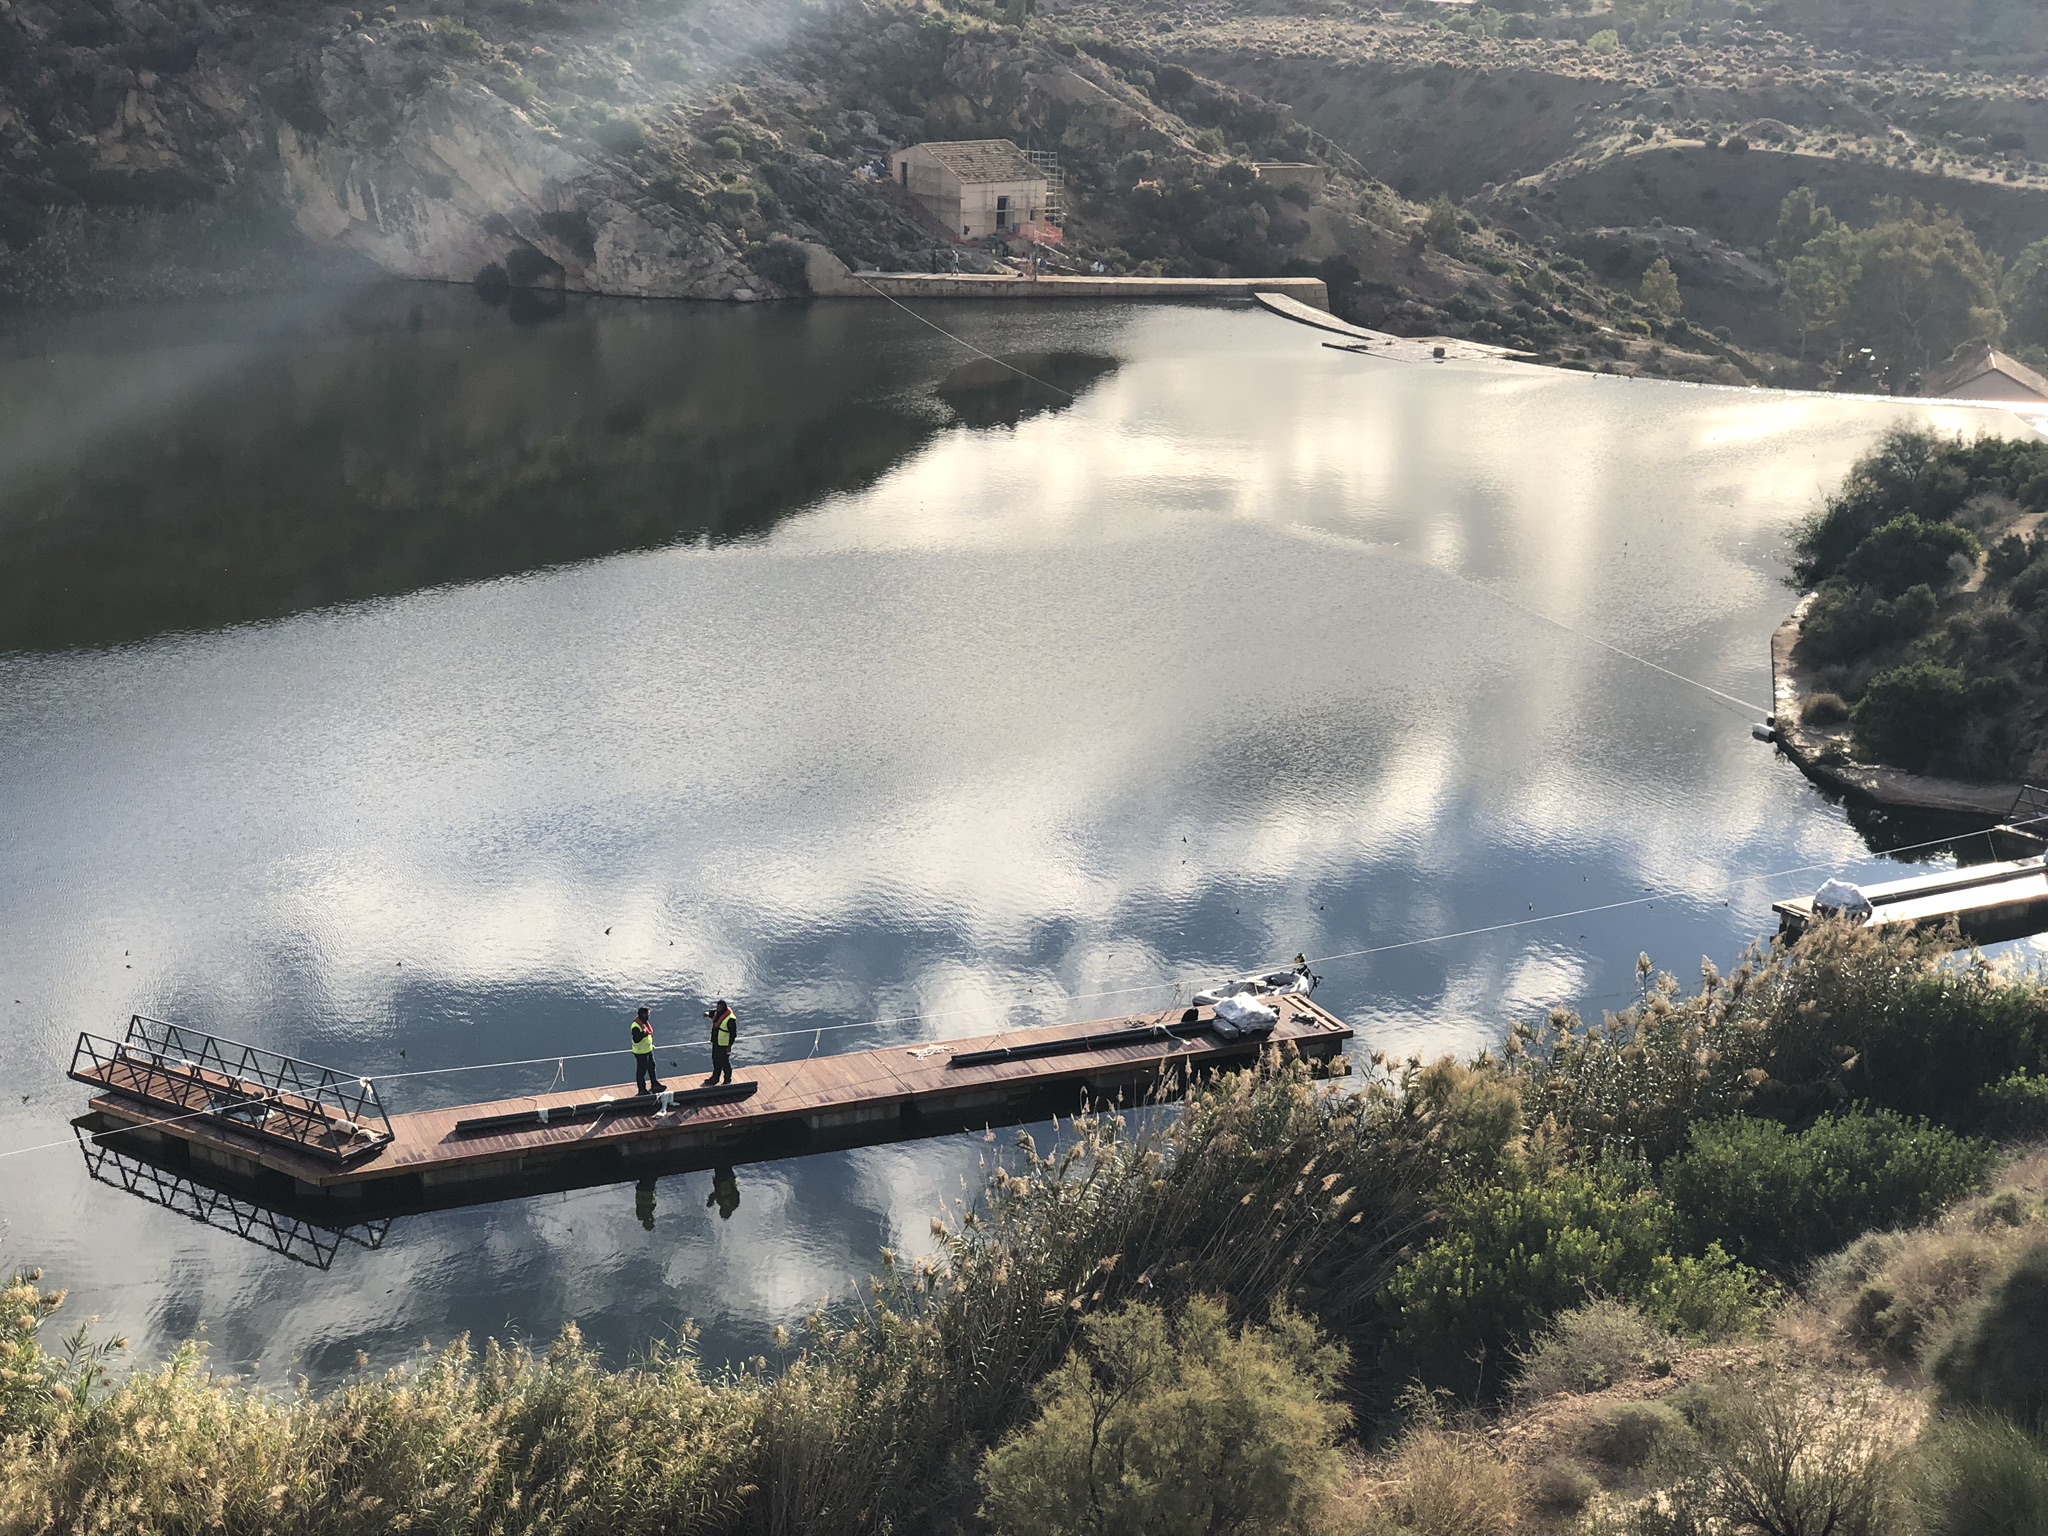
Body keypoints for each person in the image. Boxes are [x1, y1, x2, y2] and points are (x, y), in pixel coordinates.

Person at [630, 1006, 664, 1095]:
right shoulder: (636, 1026)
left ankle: (655, 1084)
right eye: (648, 1014)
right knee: (642, 1071)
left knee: (651, 1067)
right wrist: (644, 1033)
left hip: (648, 1050)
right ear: (642, 1015)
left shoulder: (644, 1023)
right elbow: (636, 1039)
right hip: (640, 1052)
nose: (649, 1016)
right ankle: (642, 1090)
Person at [704, 998, 738, 1086]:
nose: (718, 1009)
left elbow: (733, 1034)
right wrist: (708, 1014)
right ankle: (715, 1077)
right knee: (715, 1060)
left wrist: (729, 1045)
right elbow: (713, 1013)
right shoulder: (718, 1012)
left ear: (724, 1008)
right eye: (717, 1007)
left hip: (724, 1044)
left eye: (719, 1008)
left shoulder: (730, 1019)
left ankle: (727, 1079)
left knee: (724, 1062)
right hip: (716, 1042)